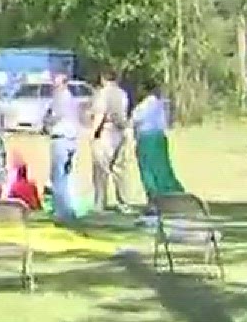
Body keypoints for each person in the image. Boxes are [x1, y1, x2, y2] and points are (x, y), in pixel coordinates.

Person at [131, 80, 186, 204]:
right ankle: (170, 192)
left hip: (147, 138)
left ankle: (154, 194)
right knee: (162, 167)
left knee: (148, 169)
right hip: (160, 137)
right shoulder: (159, 104)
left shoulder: (145, 105)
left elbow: (135, 119)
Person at [89, 68, 132, 214]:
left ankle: (100, 204)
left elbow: (100, 114)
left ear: (103, 78)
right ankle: (123, 202)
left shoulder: (103, 94)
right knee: (119, 170)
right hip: (121, 133)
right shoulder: (122, 94)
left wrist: (93, 133)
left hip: (106, 133)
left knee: (101, 170)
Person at [43, 73, 84, 222]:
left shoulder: (60, 99)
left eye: (56, 84)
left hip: (61, 138)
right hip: (72, 139)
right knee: (66, 176)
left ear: (62, 84)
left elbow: (53, 118)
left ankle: (62, 212)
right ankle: (68, 208)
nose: (53, 87)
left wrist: (46, 120)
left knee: (58, 176)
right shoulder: (72, 99)